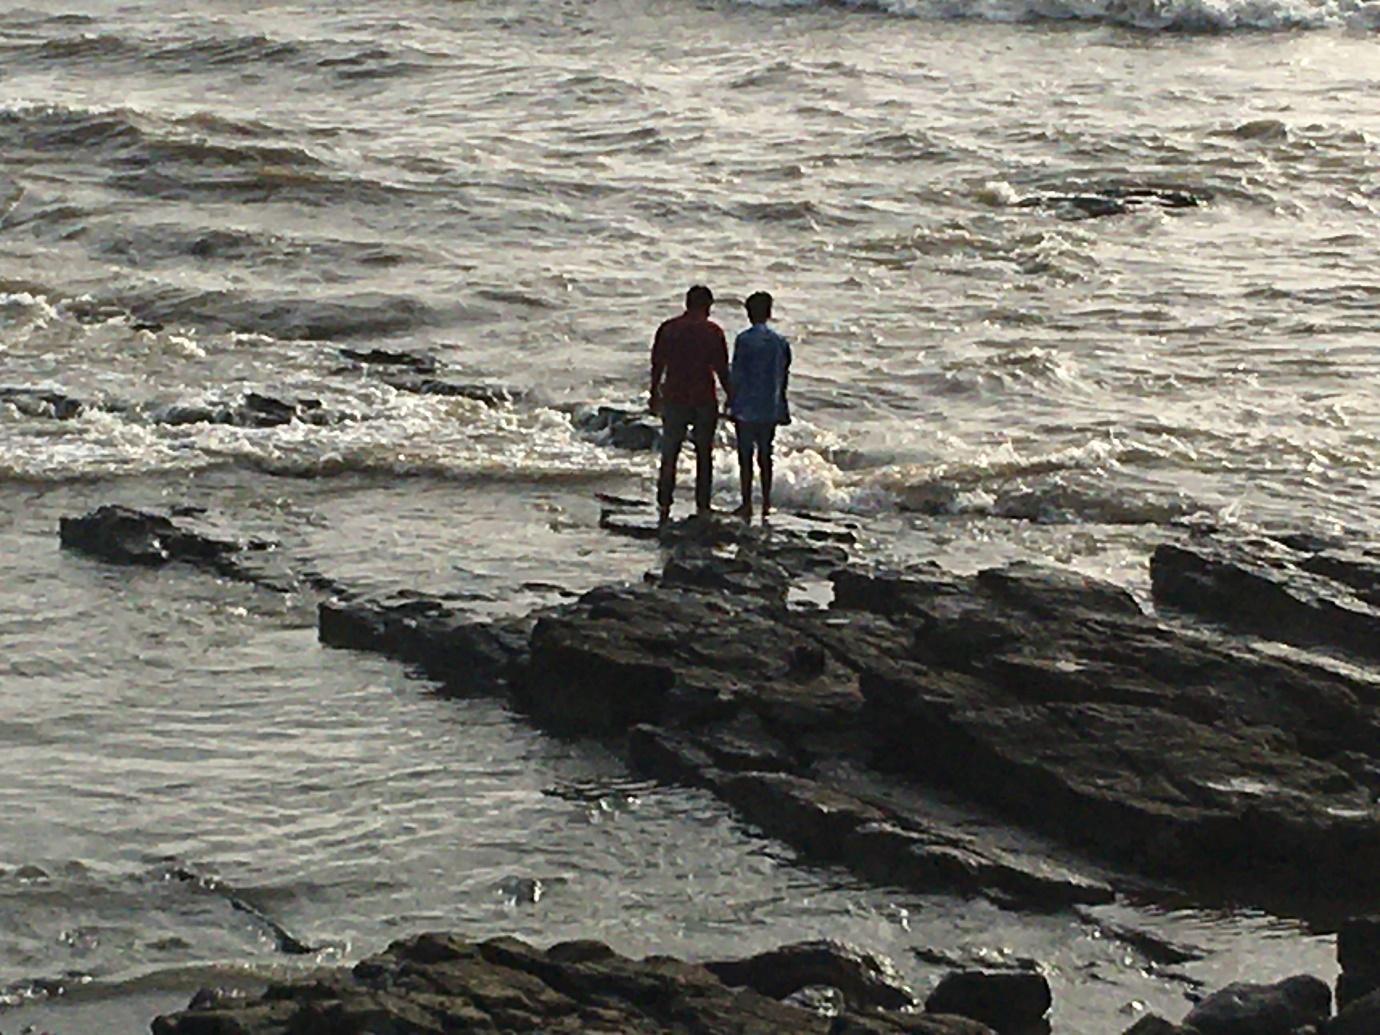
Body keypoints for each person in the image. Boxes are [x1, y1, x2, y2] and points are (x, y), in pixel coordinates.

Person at [649, 285, 732, 524]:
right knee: (704, 453)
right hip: (703, 397)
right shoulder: (713, 331)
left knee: (670, 452)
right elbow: (722, 369)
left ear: (687, 304)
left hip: (674, 396)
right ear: (707, 306)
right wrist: (731, 396)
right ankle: (702, 505)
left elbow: (657, 365)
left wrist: (654, 393)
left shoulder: (669, 329)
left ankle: (664, 503)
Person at [729, 290, 791, 521]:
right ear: (769, 313)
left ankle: (746, 503)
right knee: (766, 455)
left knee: (745, 456)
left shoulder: (744, 340)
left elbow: (737, 373)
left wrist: (730, 400)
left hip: (745, 406)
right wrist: (781, 404)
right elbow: (783, 375)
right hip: (769, 405)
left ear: (748, 313)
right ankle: (766, 502)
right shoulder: (779, 342)